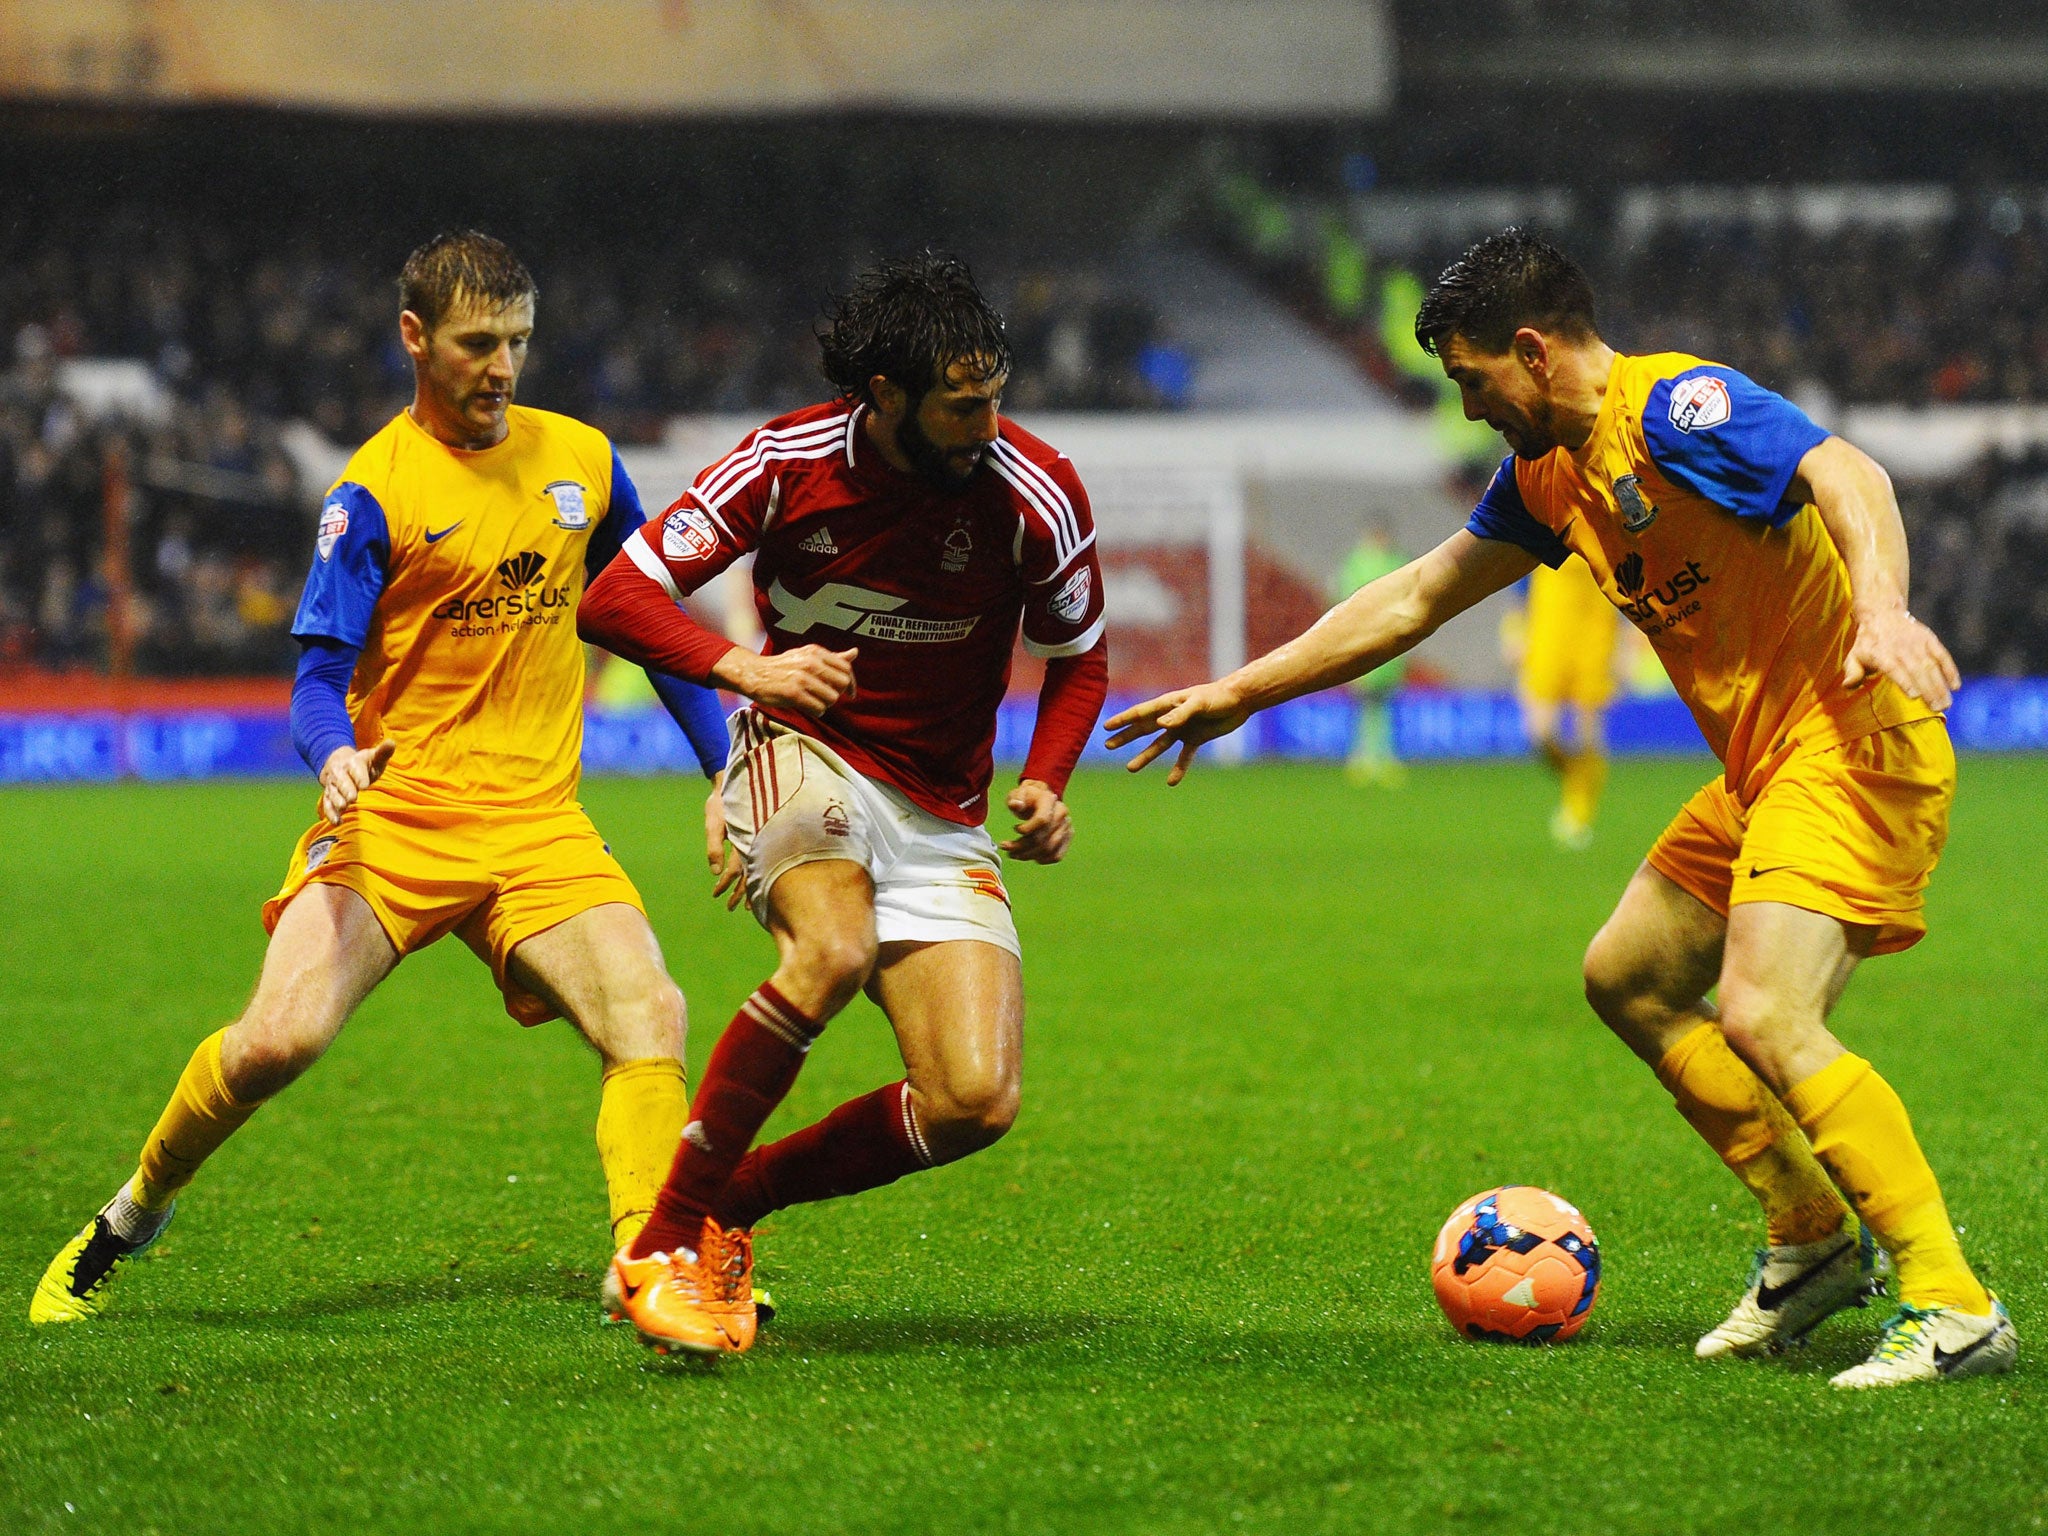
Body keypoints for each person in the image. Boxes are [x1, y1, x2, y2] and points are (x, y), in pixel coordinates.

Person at [1106, 230, 2014, 1391]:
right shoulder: (1545, 473)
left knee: (1762, 1011)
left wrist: (1880, 608)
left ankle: (1950, 1302)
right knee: (1626, 977)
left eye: (1471, 379)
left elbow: (1850, 473)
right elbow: (1419, 594)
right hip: (1761, 768)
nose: (1470, 406)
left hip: (1849, 736)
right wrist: (1240, 689)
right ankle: (1809, 1237)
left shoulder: (1678, 411)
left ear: (1530, 351)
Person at [30, 231, 731, 1325]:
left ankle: (652, 1266)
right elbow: (316, 680)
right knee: (277, 1041)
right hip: (396, 817)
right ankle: (131, 1212)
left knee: (650, 1013)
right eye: (476, 343)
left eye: (518, 342)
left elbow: (646, 621)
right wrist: (335, 753)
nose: (502, 367)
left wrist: (725, 767)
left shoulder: (584, 463)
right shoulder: (370, 494)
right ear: (414, 337)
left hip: (535, 823)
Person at [577, 252, 1108, 1355]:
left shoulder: (1035, 490)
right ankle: (662, 1244)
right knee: (829, 950)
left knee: (973, 1101)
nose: (988, 424)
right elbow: (613, 596)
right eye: (963, 407)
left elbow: (1079, 661)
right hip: (801, 747)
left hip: (941, 811)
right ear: (884, 398)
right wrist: (744, 671)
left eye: (996, 396)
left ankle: (732, 1203)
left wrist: (1049, 776)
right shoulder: (783, 463)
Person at [1506, 555, 1620, 846]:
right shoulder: (1545, 519)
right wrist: (1513, 631)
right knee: (1540, 734)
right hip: (1547, 631)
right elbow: (1519, 579)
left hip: (1595, 628)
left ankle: (1578, 811)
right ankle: (1576, 775)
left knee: (1588, 732)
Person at [1331, 517, 1408, 787]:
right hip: (1363, 641)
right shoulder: (1357, 562)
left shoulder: (1396, 561)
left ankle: (1385, 758)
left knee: (1384, 704)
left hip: (1391, 643)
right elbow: (1345, 600)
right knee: (1364, 703)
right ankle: (1361, 757)